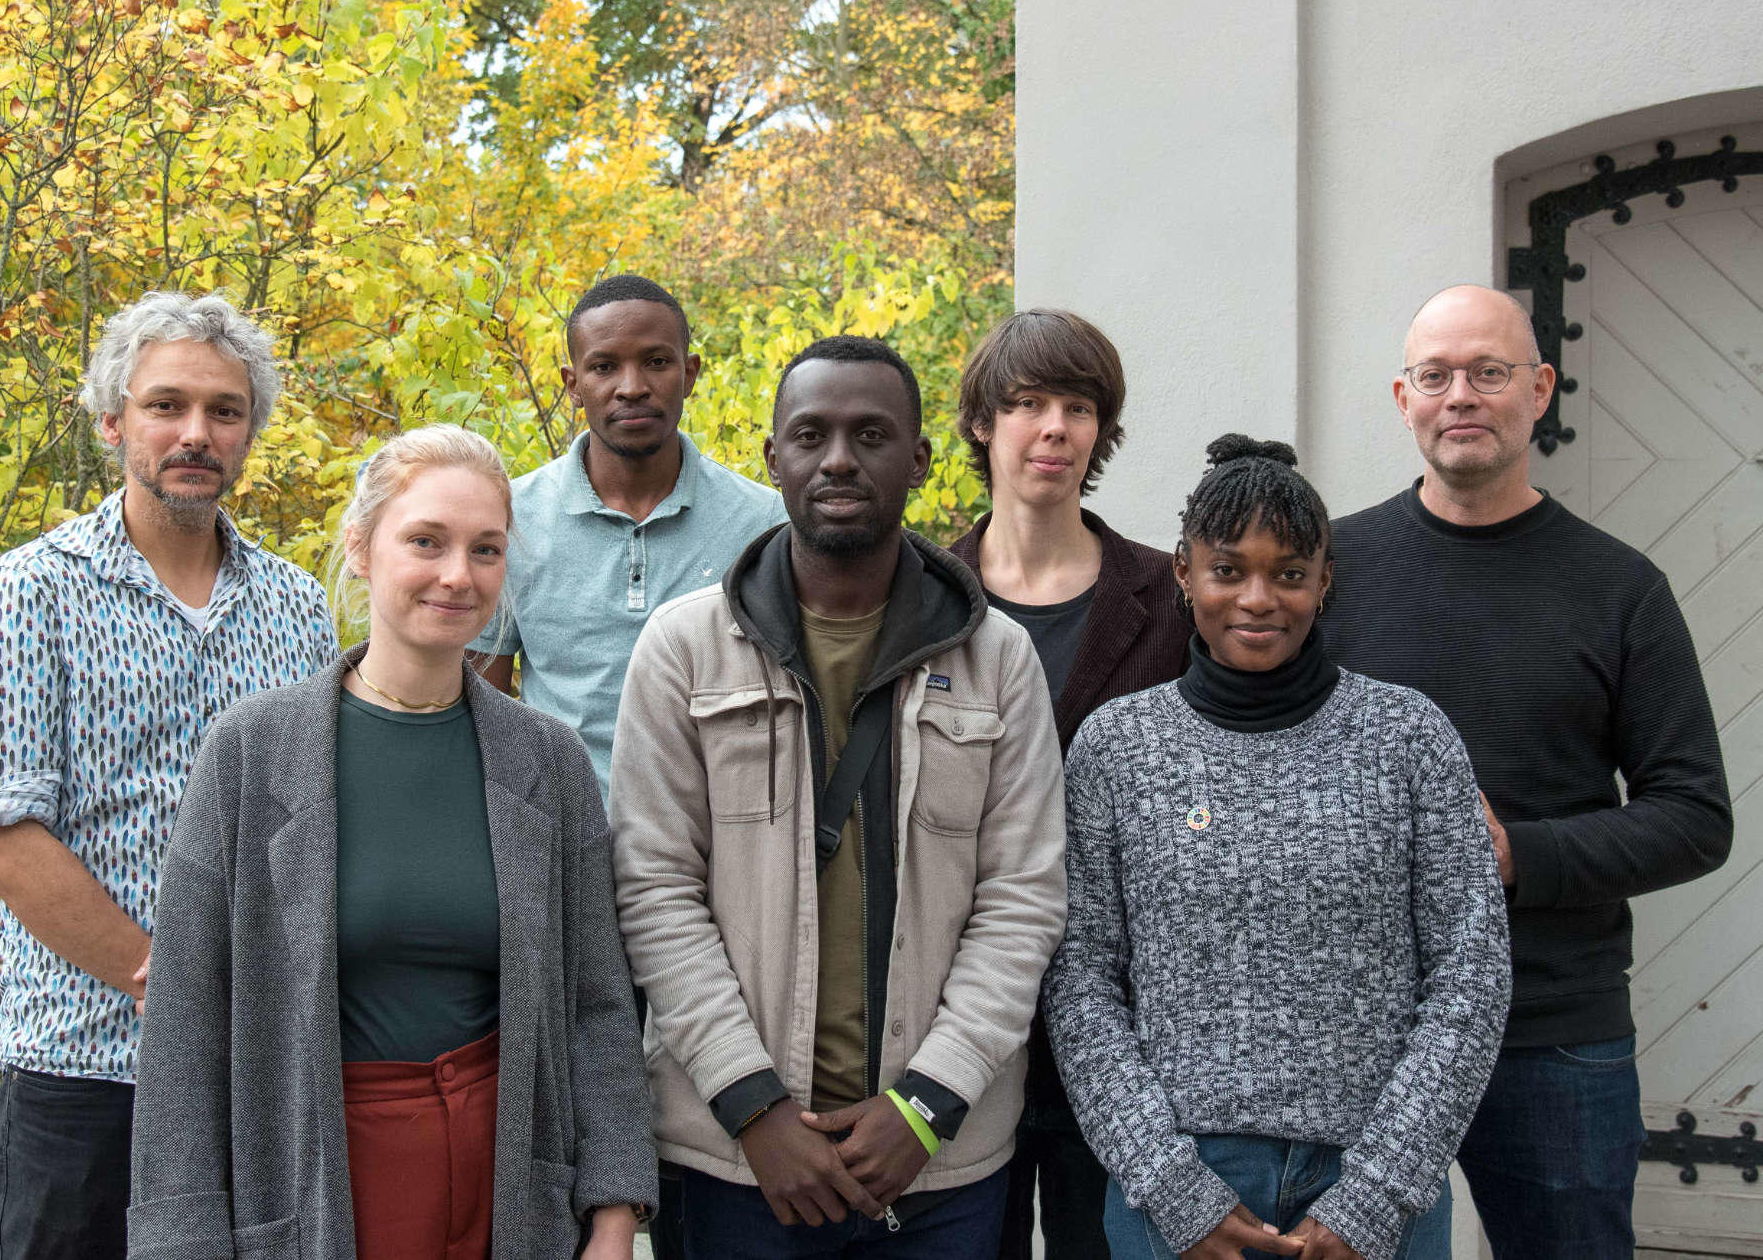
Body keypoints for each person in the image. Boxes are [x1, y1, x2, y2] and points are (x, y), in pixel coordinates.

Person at [128, 425, 657, 1260]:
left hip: (509, 1191)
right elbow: (187, 1026)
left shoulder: (546, 760)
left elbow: (599, 1003)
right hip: (320, 1187)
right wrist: (179, 1240)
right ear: (362, 547)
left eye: (486, 550)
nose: (459, 574)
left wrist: (616, 1209)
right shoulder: (251, 753)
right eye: (426, 541)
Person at [610, 334, 1068, 1259]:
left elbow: (1023, 899)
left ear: (923, 457)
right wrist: (754, 1106)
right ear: (773, 454)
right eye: (811, 434)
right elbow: (654, 889)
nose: (840, 459)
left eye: (871, 433)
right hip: (738, 1164)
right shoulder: (682, 649)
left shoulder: (999, 658)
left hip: (938, 1168)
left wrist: (928, 1103)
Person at [1324, 285, 1734, 1258]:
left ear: (1538, 388)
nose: (1459, 395)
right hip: (1359, 1030)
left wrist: (1516, 855)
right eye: (1435, 375)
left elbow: (1693, 814)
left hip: (1552, 1029)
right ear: (1401, 396)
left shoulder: (1617, 588)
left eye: (1487, 372)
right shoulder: (1328, 567)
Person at [1044, 435, 1512, 1260]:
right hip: (1182, 1190)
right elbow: (1079, 979)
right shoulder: (1117, 746)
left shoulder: (1410, 737)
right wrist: (1169, 1185)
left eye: (1289, 573)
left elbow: (1470, 978)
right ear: (1185, 574)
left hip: (1375, 1185)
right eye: (1229, 570)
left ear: (1324, 582)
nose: (1258, 597)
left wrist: (1375, 1196)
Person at [0, 292, 338, 1260]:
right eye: (166, 405)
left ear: (251, 433)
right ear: (113, 419)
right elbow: (4, 841)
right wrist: (171, 988)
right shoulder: (27, 591)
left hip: (253, 1085)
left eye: (223, 410)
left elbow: (314, 822)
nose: (195, 433)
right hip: (82, 1081)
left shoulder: (297, 608)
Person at [945, 309, 1191, 1260]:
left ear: (1101, 430)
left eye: (1078, 406)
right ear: (981, 423)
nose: (1054, 427)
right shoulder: (926, 596)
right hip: (961, 1009)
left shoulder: (1166, 598)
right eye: (1027, 403)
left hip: (1128, 1016)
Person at [472, 273, 784, 800]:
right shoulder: (509, 518)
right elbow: (483, 707)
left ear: (689, 374)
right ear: (573, 385)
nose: (632, 386)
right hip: (564, 843)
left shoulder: (763, 521)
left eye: (657, 362)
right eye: (604, 366)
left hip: (721, 841)